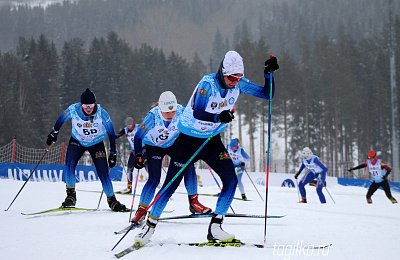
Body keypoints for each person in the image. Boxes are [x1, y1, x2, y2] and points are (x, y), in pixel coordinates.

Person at [134, 50, 278, 246]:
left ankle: (216, 228)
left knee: (231, 180)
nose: (234, 82)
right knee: (170, 185)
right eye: (231, 77)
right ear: (222, 71)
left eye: (238, 78)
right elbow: (198, 111)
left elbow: (267, 94)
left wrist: (268, 75)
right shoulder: (207, 84)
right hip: (188, 139)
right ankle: (149, 227)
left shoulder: (239, 84)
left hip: (211, 140)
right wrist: (218, 117)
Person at [130, 91, 211, 224]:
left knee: (188, 164)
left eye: (172, 111)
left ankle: (194, 203)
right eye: (166, 112)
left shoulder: (181, 111)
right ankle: (141, 211)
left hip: (172, 144)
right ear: (160, 109)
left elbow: (193, 125)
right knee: (154, 178)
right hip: (153, 146)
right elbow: (138, 137)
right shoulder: (153, 116)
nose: (170, 115)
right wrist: (138, 155)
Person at [46, 88, 128, 212]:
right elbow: (61, 119)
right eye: (85, 106)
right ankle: (70, 197)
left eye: (90, 106)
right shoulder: (73, 109)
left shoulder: (102, 113)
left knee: (103, 172)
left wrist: (113, 152)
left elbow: (111, 133)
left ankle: (112, 201)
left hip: (96, 143)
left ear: (94, 104)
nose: (88, 109)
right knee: (69, 165)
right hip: (77, 141)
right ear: (81, 104)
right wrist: (54, 132)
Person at [115, 117, 138, 194]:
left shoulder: (138, 127)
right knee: (129, 168)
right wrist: (112, 137)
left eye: (131, 125)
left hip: (142, 150)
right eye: (128, 125)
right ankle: (129, 187)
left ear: (133, 124)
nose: (129, 127)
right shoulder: (125, 130)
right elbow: (118, 135)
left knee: (148, 167)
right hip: (134, 151)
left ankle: (158, 185)